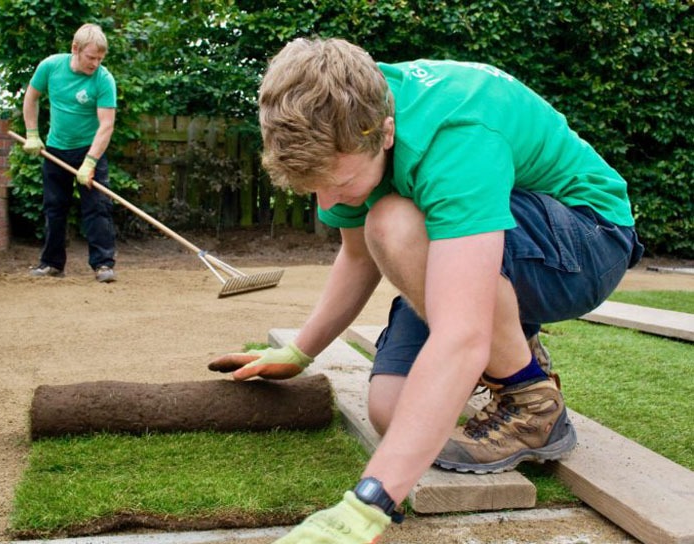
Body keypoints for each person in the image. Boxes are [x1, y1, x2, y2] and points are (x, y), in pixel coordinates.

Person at [208, 38, 644, 542]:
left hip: (588, 241)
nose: (328, 200)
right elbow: (355, 257)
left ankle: (530, 401)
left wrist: (368, 505)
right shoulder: (345, 132)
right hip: (493, 239)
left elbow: (460, 335)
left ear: (385, 132)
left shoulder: (455, 131)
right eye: (314, 189)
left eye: (340, 182)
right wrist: (299, 352)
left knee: (392, 221)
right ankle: (516, 348)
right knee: (392, 411)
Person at [22, 23, 118, 283]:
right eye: (91, 57)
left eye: (100, 58)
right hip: (56, 149)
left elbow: (106, 125)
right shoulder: (51, 67)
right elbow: (31, 98)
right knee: (54, 207)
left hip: (90, 150)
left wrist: (90, 162)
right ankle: (52, 264)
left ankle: (102, 265)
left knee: (97, 207)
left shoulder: (104, 79)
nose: (95, 63)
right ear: (75, 49)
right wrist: (32, 134)